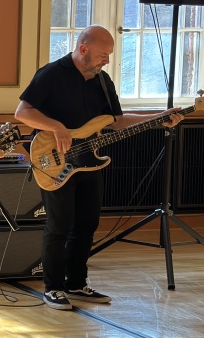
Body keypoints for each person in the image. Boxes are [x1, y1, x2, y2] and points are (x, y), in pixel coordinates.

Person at [15, 24, 181, 311]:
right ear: (83, 49)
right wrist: (56, 127)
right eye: (103, 55)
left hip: (89, 163)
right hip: (54, 161)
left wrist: (159, 117)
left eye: (109, 56)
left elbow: (115, 120)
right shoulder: (52, 74)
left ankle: (76, 283)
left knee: (87, 224)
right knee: (59, 226)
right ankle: (53, 287)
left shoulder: (102, 81)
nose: (107, 61)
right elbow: (22, 112)